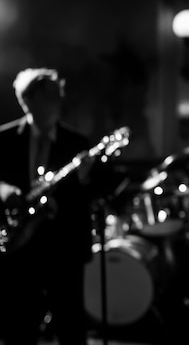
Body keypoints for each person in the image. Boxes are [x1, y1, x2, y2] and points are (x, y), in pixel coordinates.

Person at [0, 67, 93, 345]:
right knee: (17, 324)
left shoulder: (77, 143)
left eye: (58, 95)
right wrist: (5, 191)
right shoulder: (3, 139)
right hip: (19, 245)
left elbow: (89, 195)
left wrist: (85, 180)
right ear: (27, 100)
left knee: (71, 323)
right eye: (50, 95)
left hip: (63, 246)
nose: (58, 101)